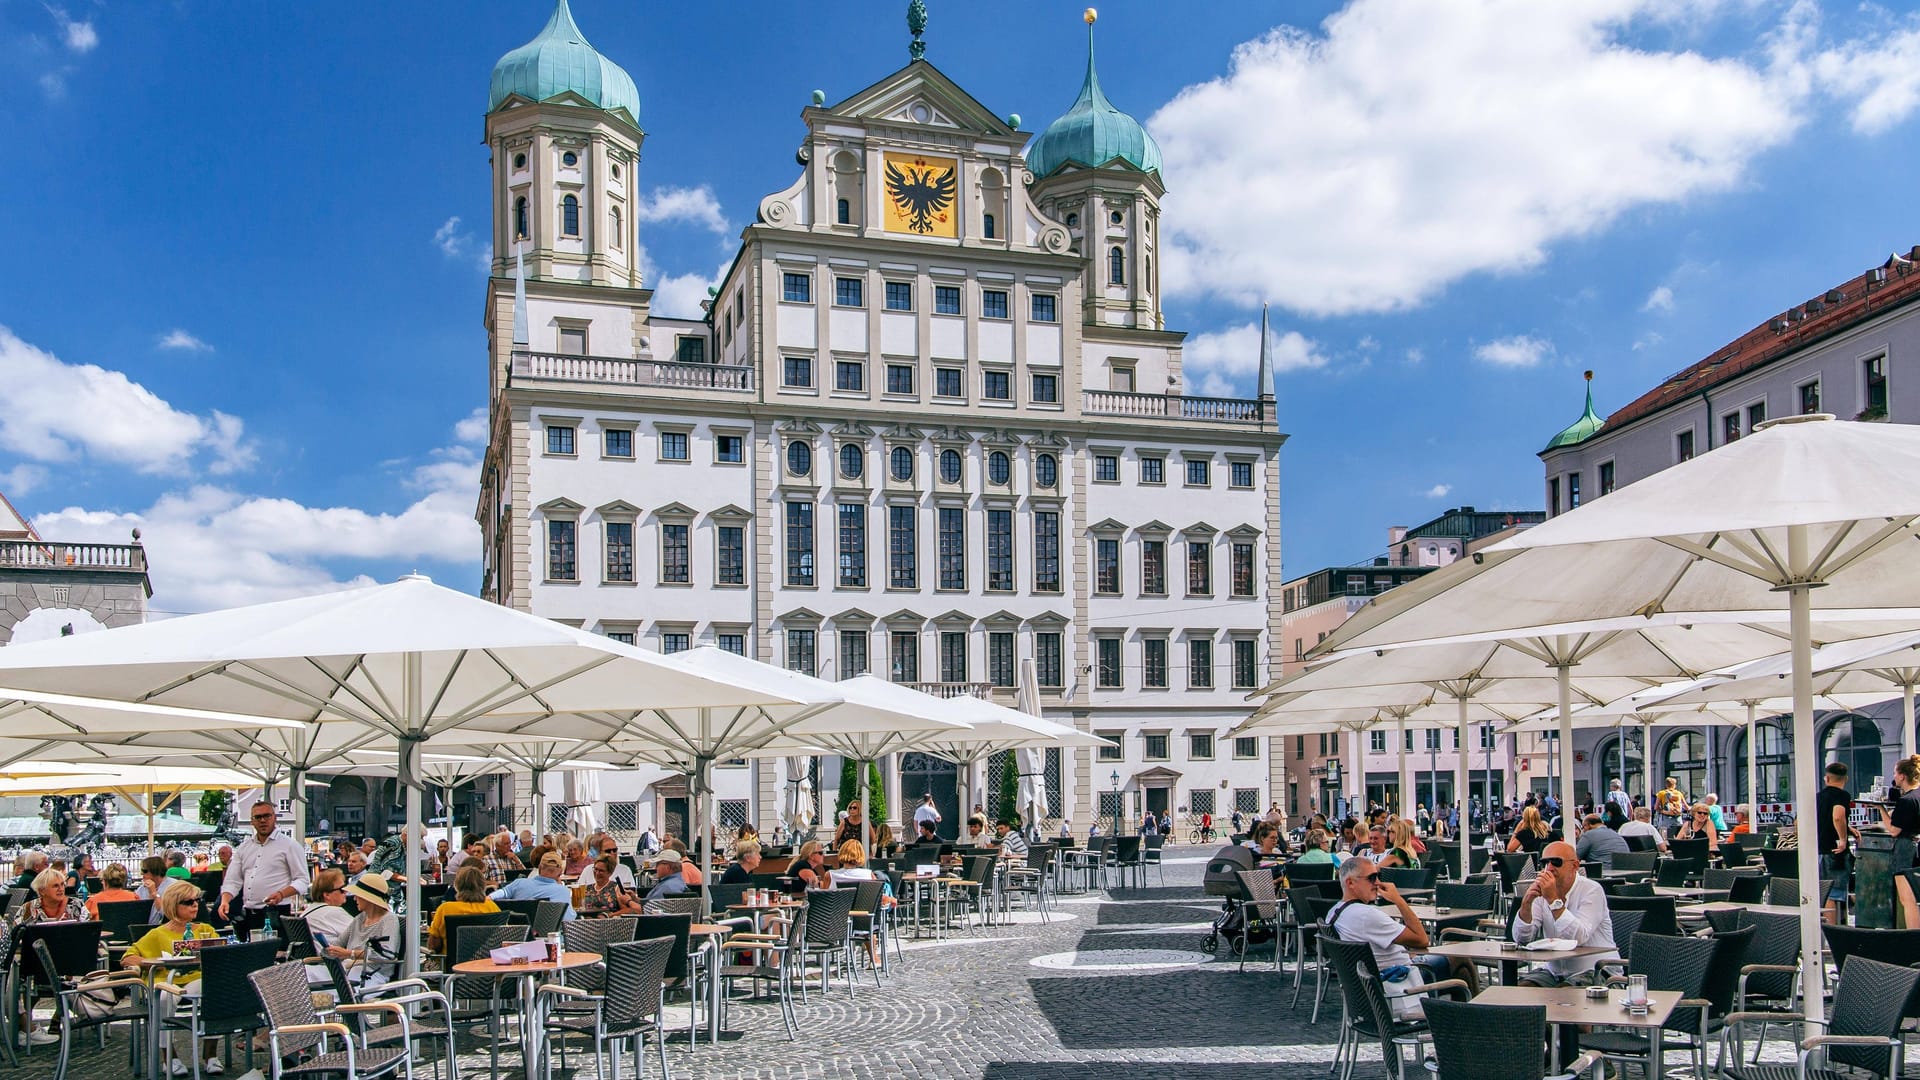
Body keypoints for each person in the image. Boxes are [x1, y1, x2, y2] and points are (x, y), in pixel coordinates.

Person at [1323, 856, 1453, 1016]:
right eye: (1371, 878)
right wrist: (1398, 900)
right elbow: (1421, 939)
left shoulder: (1334, 913)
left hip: (1365, 990)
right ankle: (1465, 1025)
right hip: (1396, 986)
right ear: (1350, 883)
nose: (1377, 883)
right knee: (1457, 960)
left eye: (1378, 876)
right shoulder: (1367, 915)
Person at [123, 881, 223, 1075]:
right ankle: (168, 1056)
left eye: (197, 900)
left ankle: (210, 1054)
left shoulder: (204, 930)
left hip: (197, 979)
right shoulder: (157, 934)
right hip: (167, 980)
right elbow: (128, 958)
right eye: (188, 901)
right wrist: (152, 962)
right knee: (163, 998)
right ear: (173, 905)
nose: (195, 905)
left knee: (217, 991)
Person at [1512, 840, 1618, 987]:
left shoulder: (1592, 890)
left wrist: (1554, 901)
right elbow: (1521, 939)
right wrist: (1526, 904)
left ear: (1575, 866)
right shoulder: (1541, 891)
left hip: (1597, 969)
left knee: (1564, 995)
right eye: (1545, 863)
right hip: (1554, 971)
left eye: (1556, 862)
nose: (1549, 868)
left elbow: (1579, 937)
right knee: (1521, 990)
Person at [218, 800, 309, 938]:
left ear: (274, 818)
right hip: (249, 913)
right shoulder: (244, 847)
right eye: (258, 817)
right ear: (252, 821)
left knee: (275, 955)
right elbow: (232, 881)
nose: (263, 820)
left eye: (267, 816)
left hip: (276, 912)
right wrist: (225, 901)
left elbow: (302, 880)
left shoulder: (289, 845)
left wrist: (281, 894)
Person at [330, 874, 399, 991]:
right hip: (350, 969)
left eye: (358, 895)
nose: (355, 899)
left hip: (372, 975)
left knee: (337, 987)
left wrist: (350, 953)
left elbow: (386, 954)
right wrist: (331, 950)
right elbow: (338, 943)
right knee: (308, 973)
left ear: (369, 898)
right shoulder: (360, 918)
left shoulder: (389, 920)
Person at [1878, 755, 1920, 927]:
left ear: (1902, 776)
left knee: (1908, 899)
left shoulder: (1906, 800)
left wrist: (1881, 809)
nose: (1894, 777)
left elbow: (1894, 830)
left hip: (1905, 849)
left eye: (1895, 773)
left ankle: (1913, 940)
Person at [426, 864, 500, 953]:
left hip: (451, 964)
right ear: (483, 885)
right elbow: (500, 938)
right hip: (483, 963)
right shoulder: (492, 907)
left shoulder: (445, 909)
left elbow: (434, 946)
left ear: (457, 886)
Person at [489, 851, 578, 920]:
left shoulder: (519, 883)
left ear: (539, 868)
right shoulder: (562, 891)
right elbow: (569, 919)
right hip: (548, 938)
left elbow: (502, 892)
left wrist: (489, 897)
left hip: (520, 936)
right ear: (560, 872)